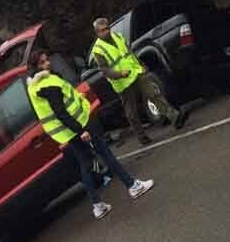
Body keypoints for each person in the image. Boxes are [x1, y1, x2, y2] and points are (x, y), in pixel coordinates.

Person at [27, 50, 153, 220]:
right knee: (105, 153)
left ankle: (97, 206)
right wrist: (81, 131)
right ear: (35, 67)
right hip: (78, 126)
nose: (47, 63)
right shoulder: (48, 84)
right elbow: (60, 112)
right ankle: (132, 186)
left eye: (46, 60)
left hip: (66, 132)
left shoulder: (34, 86)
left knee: (85, 163)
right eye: (42, 63)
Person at [91, 17, 188, 145]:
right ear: (97, 33)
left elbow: (129, 53)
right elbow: (105, 70)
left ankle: (175, 117)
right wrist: (119, 74)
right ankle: (142, 136)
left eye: (107, 28)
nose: (106, 32)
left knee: (153, 93)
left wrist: (141, 65)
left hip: (135, 72)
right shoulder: (97, 50)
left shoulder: (118, 36)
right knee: (132, 112)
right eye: (103, 30)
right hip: (122, 82)